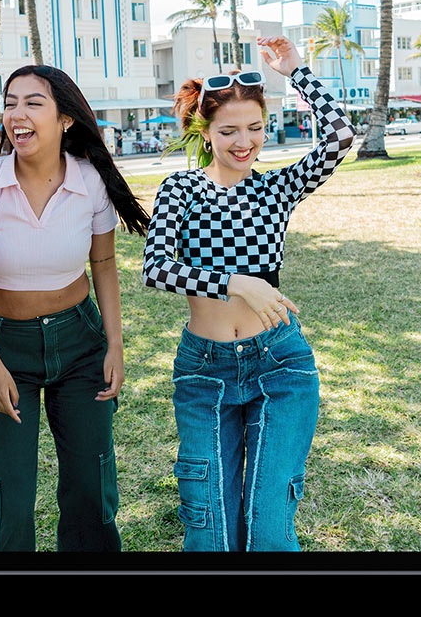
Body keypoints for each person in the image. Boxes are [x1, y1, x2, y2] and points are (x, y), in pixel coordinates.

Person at [142, 36, 355, 552]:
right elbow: (156, 269)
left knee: (268, 525)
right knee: (208, 524)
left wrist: (294, 71)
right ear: (206, 130)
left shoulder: (276, 189)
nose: (245, 142)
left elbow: (341, 135)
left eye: (256, 128)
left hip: (278, 364)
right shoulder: (182, 190)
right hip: (204, 369)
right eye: (230, 130)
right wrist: (235, 282)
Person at [0, 64, 151, 551]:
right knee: (9, 490)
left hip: (81, 342)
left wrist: (115, 344)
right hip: (4, 346)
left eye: (33, 103)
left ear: (65, 120)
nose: (17, 114)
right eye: (10, 102)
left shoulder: (89, 183)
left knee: (90, 481)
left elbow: (102, 263)